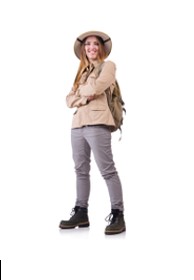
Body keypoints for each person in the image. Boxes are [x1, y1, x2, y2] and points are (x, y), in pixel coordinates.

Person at [60, 31, 126, 235]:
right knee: (80, 170)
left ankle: (118, 214)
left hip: (98, 122)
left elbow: (96, 88)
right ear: (83, 49)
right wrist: (83, 96)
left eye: (95, 44)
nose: (91, 47)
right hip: (78, 124)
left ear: (101, 48)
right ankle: (81, 211)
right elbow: (68, 100)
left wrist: (83, 94)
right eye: (88, 44)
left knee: (107, 170)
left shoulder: (108, 66)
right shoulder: (82, 72)